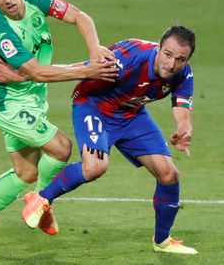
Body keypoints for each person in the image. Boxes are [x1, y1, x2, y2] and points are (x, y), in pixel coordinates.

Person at [0, 0, 118, 253]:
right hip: (9, 105)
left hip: (30, 100)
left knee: (25, 173)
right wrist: (87, 70)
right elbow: (38, 72)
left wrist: (94, 49)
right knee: (61, 148)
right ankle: (41, 202)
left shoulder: (36, 0)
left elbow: (80, 16)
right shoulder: (3, 34)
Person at [20, 25, 198, 254]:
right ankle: (41, 198)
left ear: (188, 59)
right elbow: (81, 68)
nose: (171, 64)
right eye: (168, 54)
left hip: (131, 114)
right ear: (159, 48)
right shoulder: (130, 58)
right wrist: (27, 73)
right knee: (95, 167)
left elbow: (183, 111)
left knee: (169, 174)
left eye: (180, 59)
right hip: (94, 106)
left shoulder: (184, 73)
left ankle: (162, 241)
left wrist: (184, 130)